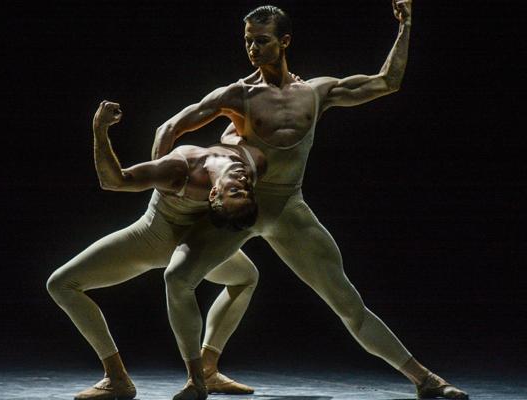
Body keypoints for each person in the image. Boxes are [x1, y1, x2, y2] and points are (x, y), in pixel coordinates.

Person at [153, 2, 469, 400]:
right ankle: (198, 379)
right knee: (178, 278)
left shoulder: (317, 92)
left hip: (288, 208)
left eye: (262, 41)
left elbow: (387, 81)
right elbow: (170, 126)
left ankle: (425, 379)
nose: (253, 49)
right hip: (244, 208)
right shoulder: (239, 94)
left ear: (284, 41)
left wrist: (405, 26)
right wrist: (162, 197)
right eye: (248, 41)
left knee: (347, 302)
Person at [46, 100, 267, 400]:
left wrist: (99, 129)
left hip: (180, 245)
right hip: (151, 237)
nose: (244, 181)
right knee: (61, 284)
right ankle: (117, 378)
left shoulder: (179, 172)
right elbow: (237, 116)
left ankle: (205, 372)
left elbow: (114, 181)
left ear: (214, 195)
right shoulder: (250, 162)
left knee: (245, 277)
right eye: (243, 190)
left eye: (238, 191)